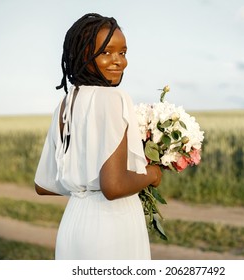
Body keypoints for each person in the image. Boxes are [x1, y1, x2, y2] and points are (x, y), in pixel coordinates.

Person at [34, 13, 162, 260]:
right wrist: (153, 174)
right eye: (106, 52)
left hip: (73, 223)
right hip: (112, 226)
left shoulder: (65, 105)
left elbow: (43, 184)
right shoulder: (113, 98)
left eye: (122, 53)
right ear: (83, 55)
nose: (118, 61)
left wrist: (80, 183)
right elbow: (113, 187)